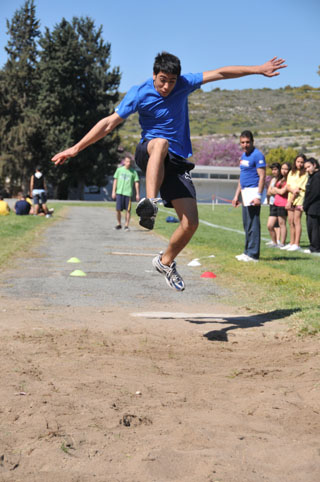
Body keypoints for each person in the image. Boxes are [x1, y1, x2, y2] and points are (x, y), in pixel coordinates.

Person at [51, 52, 286, 290]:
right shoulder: (140, 91)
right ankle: (150, 202)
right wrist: (76, 148)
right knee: (161, 142)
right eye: (162, 80)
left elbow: (221, 73)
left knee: (191, 223)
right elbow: (109, 122)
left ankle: (165, 262)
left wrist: (257, 69)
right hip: (150, 150)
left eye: (171, 81)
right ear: (154, 75)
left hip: (176, 162)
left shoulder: (184, 84)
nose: (166, 86)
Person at [232, 130, 266, 262]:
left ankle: (253, 254)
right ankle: (247, 252)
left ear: (252, 142)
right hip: (245, 192)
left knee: (253, 223)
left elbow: (262, 176)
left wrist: (258, 195)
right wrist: (236, 196)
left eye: (247, 142)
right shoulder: (243, 156)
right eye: (242, 142)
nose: (245, 145)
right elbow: (242, 177)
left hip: (253, 192)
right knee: (247, 223)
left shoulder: (257, 155)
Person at [280, 154, 308, 252]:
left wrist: (290, 201)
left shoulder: (305, 174)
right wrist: (290, 194)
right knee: (290, 221)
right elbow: (288, 186)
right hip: (290, 199)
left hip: (298, 199)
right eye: (298, 161)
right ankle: (291, 243)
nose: (299, 164)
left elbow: (298, 190)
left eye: (301, 162)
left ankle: (297, 243)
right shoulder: (291, 172)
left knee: (297, 221)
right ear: (295, 162)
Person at [112, 156, 140, 230]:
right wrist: (113, 192)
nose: (128, 163)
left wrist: (137, 194)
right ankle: (119, 224)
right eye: (127, 161)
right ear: (124, 162)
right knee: (118, 209)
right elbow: (115, 181)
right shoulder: (119, 170)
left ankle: (126, 225)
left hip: (128, 194)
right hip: (119, 192)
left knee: (128, 210)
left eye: (130, 162)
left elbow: (136, 182)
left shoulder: (133, 172)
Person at [268, 162, 291, 247]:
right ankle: (274, 242)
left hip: (283, 204)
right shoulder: (278, 179)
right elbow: (270, 191)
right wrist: (277, 190)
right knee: (270, 225)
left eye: (286, 169)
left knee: (282, 224)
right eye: (282, 169)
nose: (284, 171)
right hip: (275, 203)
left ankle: (282, 243)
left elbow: (282, 191)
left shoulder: (289, 179)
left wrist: (275, 189)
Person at [303, 157, 320, 254]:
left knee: (314, 228)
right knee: (313, 228)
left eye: (308, 167)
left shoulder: (317, 176)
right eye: (305, 168)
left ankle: (315, 248)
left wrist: (305, 205)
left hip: (315, 208)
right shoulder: (312, 176)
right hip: (312, 207)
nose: (307, 170)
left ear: (314, 165)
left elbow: (314, 193)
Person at [266, 162, 281, 247]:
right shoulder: (273, 179)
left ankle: (278, 240)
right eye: (272, 170)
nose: (273, 171)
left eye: (275, 169)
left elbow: (276, 191)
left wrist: (272, 191)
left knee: (278, 223)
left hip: (278, 203)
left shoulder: (281, 180)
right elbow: (269, 191)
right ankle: (274, 240)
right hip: (272, 203)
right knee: (273, 224)